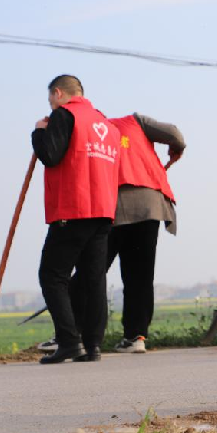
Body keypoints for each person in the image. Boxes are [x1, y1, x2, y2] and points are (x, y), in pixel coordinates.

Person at [32, 75, 120, 364]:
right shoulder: (106, 125)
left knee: (52, 275)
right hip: (104, 210)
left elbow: (50, 155)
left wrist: (38, 133)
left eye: (50, 99)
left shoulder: (64, 115)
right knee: (94, 278)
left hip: (74, 207)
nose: (51, 105)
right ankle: (93, 345)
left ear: (58, 93)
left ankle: (70, 341)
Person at [102, 113, 185, 354]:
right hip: (150, 205)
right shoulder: (135, 121)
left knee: (93, 271)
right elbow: (175, 134)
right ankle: (136, 337)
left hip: (111, 206)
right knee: (140, 274)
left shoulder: (93, 129)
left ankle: (77, 335)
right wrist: (175, 150)